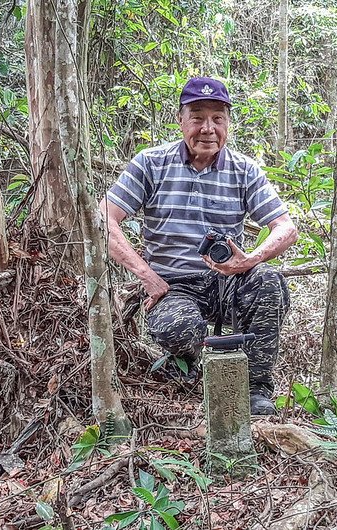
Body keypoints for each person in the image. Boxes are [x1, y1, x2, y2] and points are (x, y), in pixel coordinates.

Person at [99, 76, 298, 415]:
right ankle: (192, 365)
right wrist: (147, 276)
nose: (208, 128)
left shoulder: (244, 170)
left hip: (226, 280)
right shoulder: (151, 163)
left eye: (217, 118)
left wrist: (248, 260)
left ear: (228, 123)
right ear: (181, 120)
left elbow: (286, 228)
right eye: (198, 117)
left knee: (268, 282)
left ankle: (256, 388)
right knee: (178, 328)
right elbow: (104, 218)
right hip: (172, 286)